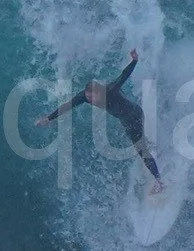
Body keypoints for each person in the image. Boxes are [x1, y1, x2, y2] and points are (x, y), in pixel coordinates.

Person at [38, 49, 163, 188]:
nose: (90, 101)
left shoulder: (110, 90)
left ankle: (160, 182)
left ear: (99, 92)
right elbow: (68, 105)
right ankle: (148, 145)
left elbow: (124, 75)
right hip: (125, 121)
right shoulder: (85, 97)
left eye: (92, 98)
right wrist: (49, 118)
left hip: (135, 116)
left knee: (141, 150)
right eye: (87, 98)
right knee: (139, 144)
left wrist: (134, 60)